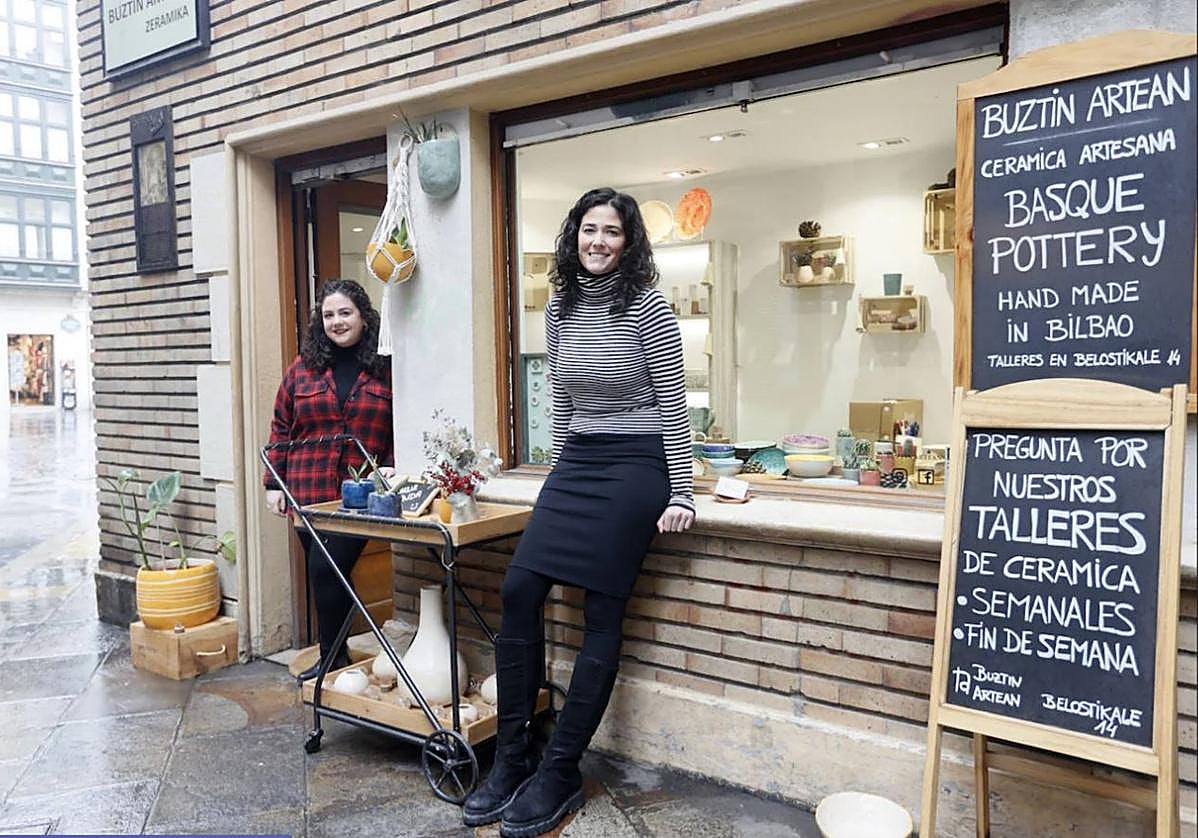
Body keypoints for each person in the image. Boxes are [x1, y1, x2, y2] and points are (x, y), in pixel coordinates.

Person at [463, 188, 695, 837]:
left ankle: (560, 770)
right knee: (519, 589)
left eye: (612, 232)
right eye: (589, 229)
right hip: (579, 464)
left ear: (629, 243)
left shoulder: (648, 307)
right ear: (575, 237)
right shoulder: (559, 306)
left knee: (600, 609)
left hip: (636, 463)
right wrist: (557, 477)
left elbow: (674, 403)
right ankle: (512, 760)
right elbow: (560, 400)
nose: (598, 241)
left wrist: (681, 492)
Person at [263, 278, 394, 681]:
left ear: (363, 317)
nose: (337, 322)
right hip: (306, 488)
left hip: (360, 493)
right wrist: (273, 484)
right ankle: (338, 658)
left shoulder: (385, 366)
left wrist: (391, 465)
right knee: (327, 571)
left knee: (327, 568)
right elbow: (281, 427)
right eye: (328, 315)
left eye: (345, 313)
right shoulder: (302, 369)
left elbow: (401, 424)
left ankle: (332, 657)